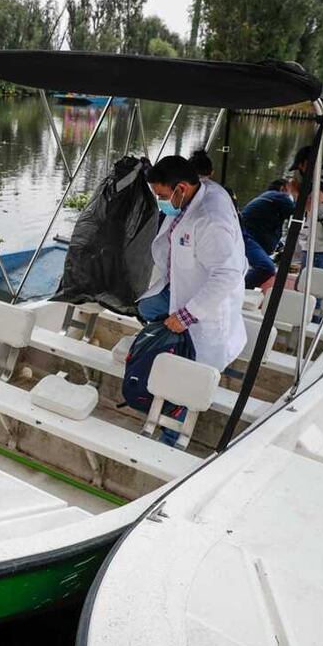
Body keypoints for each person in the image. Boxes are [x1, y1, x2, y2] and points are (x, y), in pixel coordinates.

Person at [137, 155, 247, 446]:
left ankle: (172, 438)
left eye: (162, 196)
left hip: (207, 312)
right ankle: (160, 390)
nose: (160, 201)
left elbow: (227, 274)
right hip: (181, 291)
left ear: (181, 188)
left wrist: (186, 316)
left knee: (191, 375)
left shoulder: (211, 221)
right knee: (147, 308)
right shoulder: (196, 193)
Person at [239, 178, 298, 288]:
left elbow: (262, 229)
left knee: (264, 264)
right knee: (266, 267)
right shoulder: (280, 196)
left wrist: (279, 246)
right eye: (290, 190)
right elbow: (299, 215)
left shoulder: (268, 198)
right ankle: (236, 289)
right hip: (245, 239)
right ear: (283, 189)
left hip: (245, 238)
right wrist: (297, 194)